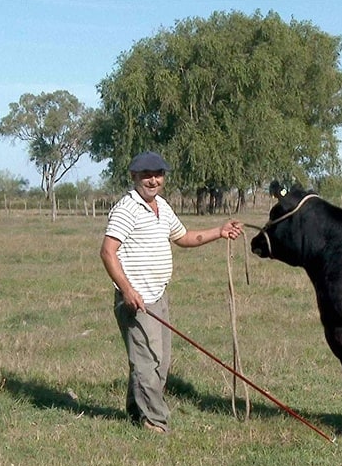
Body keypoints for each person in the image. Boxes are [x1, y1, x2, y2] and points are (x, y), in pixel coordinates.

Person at [100, 151, 243, 434]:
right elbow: (107, 252)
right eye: (146, 175)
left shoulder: (162, 207)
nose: (153, 180)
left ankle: (135, 413)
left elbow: (183, 237)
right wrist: (127, 290)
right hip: (137, 300)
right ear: (134, 177)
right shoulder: (126, 210)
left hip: (158, 295)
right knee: (148, 362)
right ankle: (155, 423)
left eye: (158, 175)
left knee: (158, 361)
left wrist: (220, 231)